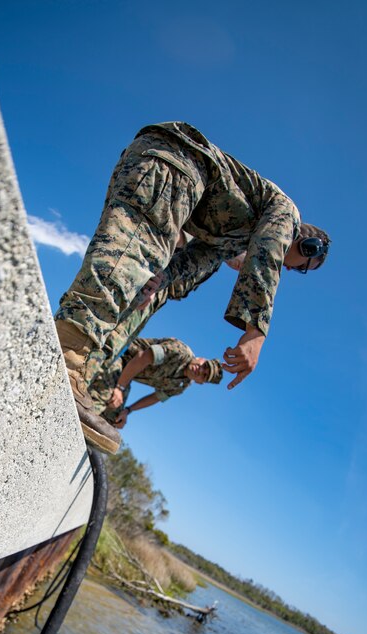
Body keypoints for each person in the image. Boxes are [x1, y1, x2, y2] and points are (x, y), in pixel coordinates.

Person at [54, 121, 330, 454]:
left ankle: (70, 360)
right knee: (127, 259)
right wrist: (255, 331)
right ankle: (65, 365)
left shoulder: (233, 239)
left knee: (133, 267)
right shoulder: (287, 214)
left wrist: (161, 280)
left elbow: (193, 260)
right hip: (177, 166)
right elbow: (269, 251)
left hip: (162, 169)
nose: (288, 266)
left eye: (295, 270)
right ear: (306, 242)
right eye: (297, 261)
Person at [89, 337, 223, 430]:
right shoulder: (180, 352)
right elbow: (142, 357)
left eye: (204, 375)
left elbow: (155, 398)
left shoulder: (181, 386)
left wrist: (127, 410)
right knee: (105, 396)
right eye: (204, 365)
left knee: (113, 418)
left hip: (126, 375)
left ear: (200, 383)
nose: (200, 370)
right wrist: (119, 388)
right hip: (120, 354)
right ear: (200, 359)